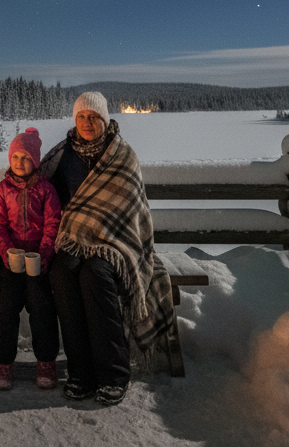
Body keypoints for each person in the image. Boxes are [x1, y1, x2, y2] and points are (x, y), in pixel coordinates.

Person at [41, 92, 174, 406]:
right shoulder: (62, 155)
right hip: (74, 237)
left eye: (94, 117)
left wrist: (105, 238)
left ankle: (114, 374)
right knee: (61, 272)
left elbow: (132, 208)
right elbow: (42, 192)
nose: (88, 123)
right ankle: (81, 372)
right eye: (82, 117)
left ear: (105, 120)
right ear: (75, 120)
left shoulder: (122, 154)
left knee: (95, 275)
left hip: (117, 243)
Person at [0, 127, 61, 391]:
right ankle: (3, 362)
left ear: (36, 161)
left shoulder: (46, 190)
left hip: (38, 259)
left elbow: (53, 223)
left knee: (41, 304)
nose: (20, 163)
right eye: (15, 157)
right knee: (5, 303)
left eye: (26, 158)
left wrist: (43, 254)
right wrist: (6, 251)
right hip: (10, 258)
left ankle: (46, 360)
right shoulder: (2, 190)